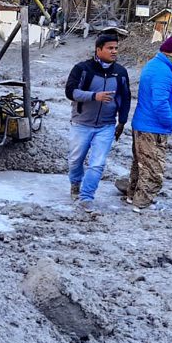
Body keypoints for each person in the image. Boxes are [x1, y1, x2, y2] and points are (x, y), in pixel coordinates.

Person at [64, 33, 131, 211]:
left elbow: (125, 98)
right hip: (81, 124)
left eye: (116, 48)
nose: (114, 51)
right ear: (98, 49)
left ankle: (86, 197)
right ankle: (75, 183)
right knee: (75, 160)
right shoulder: (83, 69)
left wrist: (122, 121)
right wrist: (95, 96)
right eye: (110, 48)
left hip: (106, 126)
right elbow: (71, 92)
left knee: (97, 163)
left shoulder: (121, 73)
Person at [120, 35, 172, 210]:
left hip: (143, 125)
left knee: (140, 165)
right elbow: (160, 103)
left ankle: (132, 196)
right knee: (153, 170)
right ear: (168, 52)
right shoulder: (162, 72)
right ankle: (141, 204)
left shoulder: (154, 66)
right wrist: (170, 123)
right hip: (153, 128)